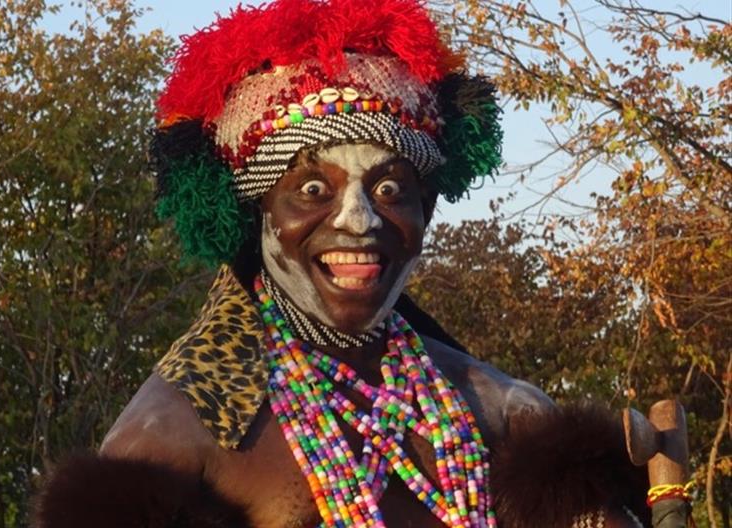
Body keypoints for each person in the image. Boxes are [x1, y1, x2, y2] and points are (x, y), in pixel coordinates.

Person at [33, 1, 655, 526]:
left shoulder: (505, 413)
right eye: (312, 191)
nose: (359, 220)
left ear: (425, 211)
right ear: (258, 213)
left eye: (390, 190)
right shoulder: (173, 437)